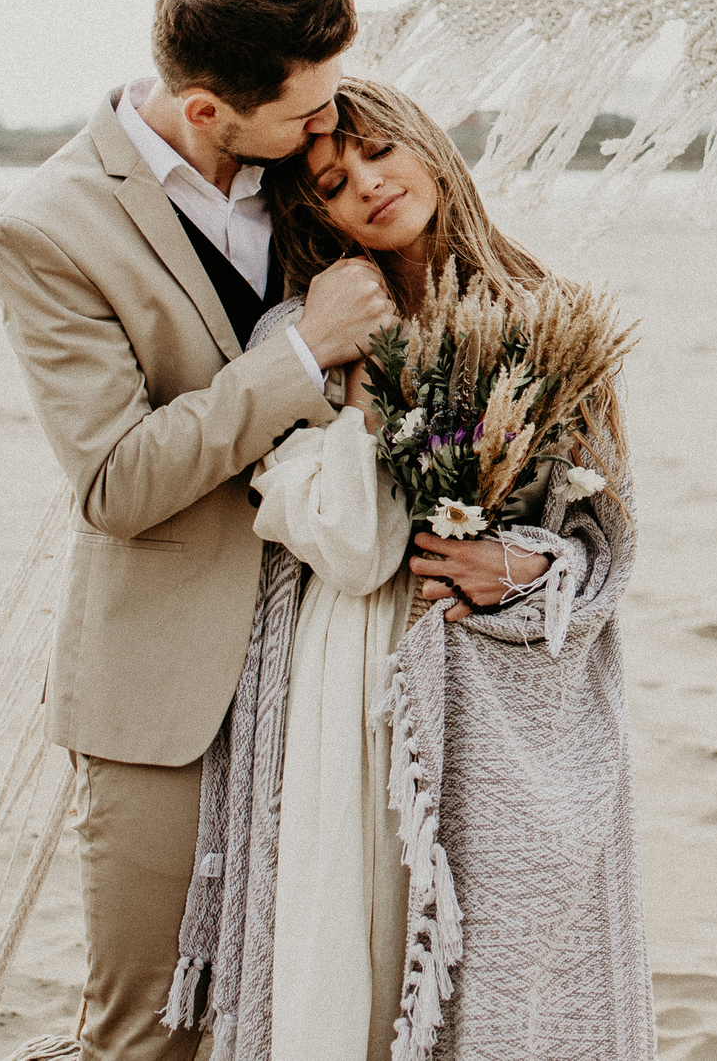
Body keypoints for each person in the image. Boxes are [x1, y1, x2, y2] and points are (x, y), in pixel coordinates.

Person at [0, 0, 402, 1061]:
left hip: (333, 666)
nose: (331, 124)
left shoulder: (313, 166)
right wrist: (300, 357)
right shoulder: (48, 226)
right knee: (151, 1027)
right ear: (208, 110)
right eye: (306, 110)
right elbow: (115, 480)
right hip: (164, 690)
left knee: (323, 1009)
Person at [191, 78, 648, 1061]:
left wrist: (519, 566)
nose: (365, 183)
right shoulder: (297, 336)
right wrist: (357, 381)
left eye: (378, 151)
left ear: (428, 147)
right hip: (348, 673)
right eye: (330, 182)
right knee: (351, 940)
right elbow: (351, 549)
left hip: (496, 686)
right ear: (316, 214)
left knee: (499, 964)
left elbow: (606, 536)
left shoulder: (551, 315)